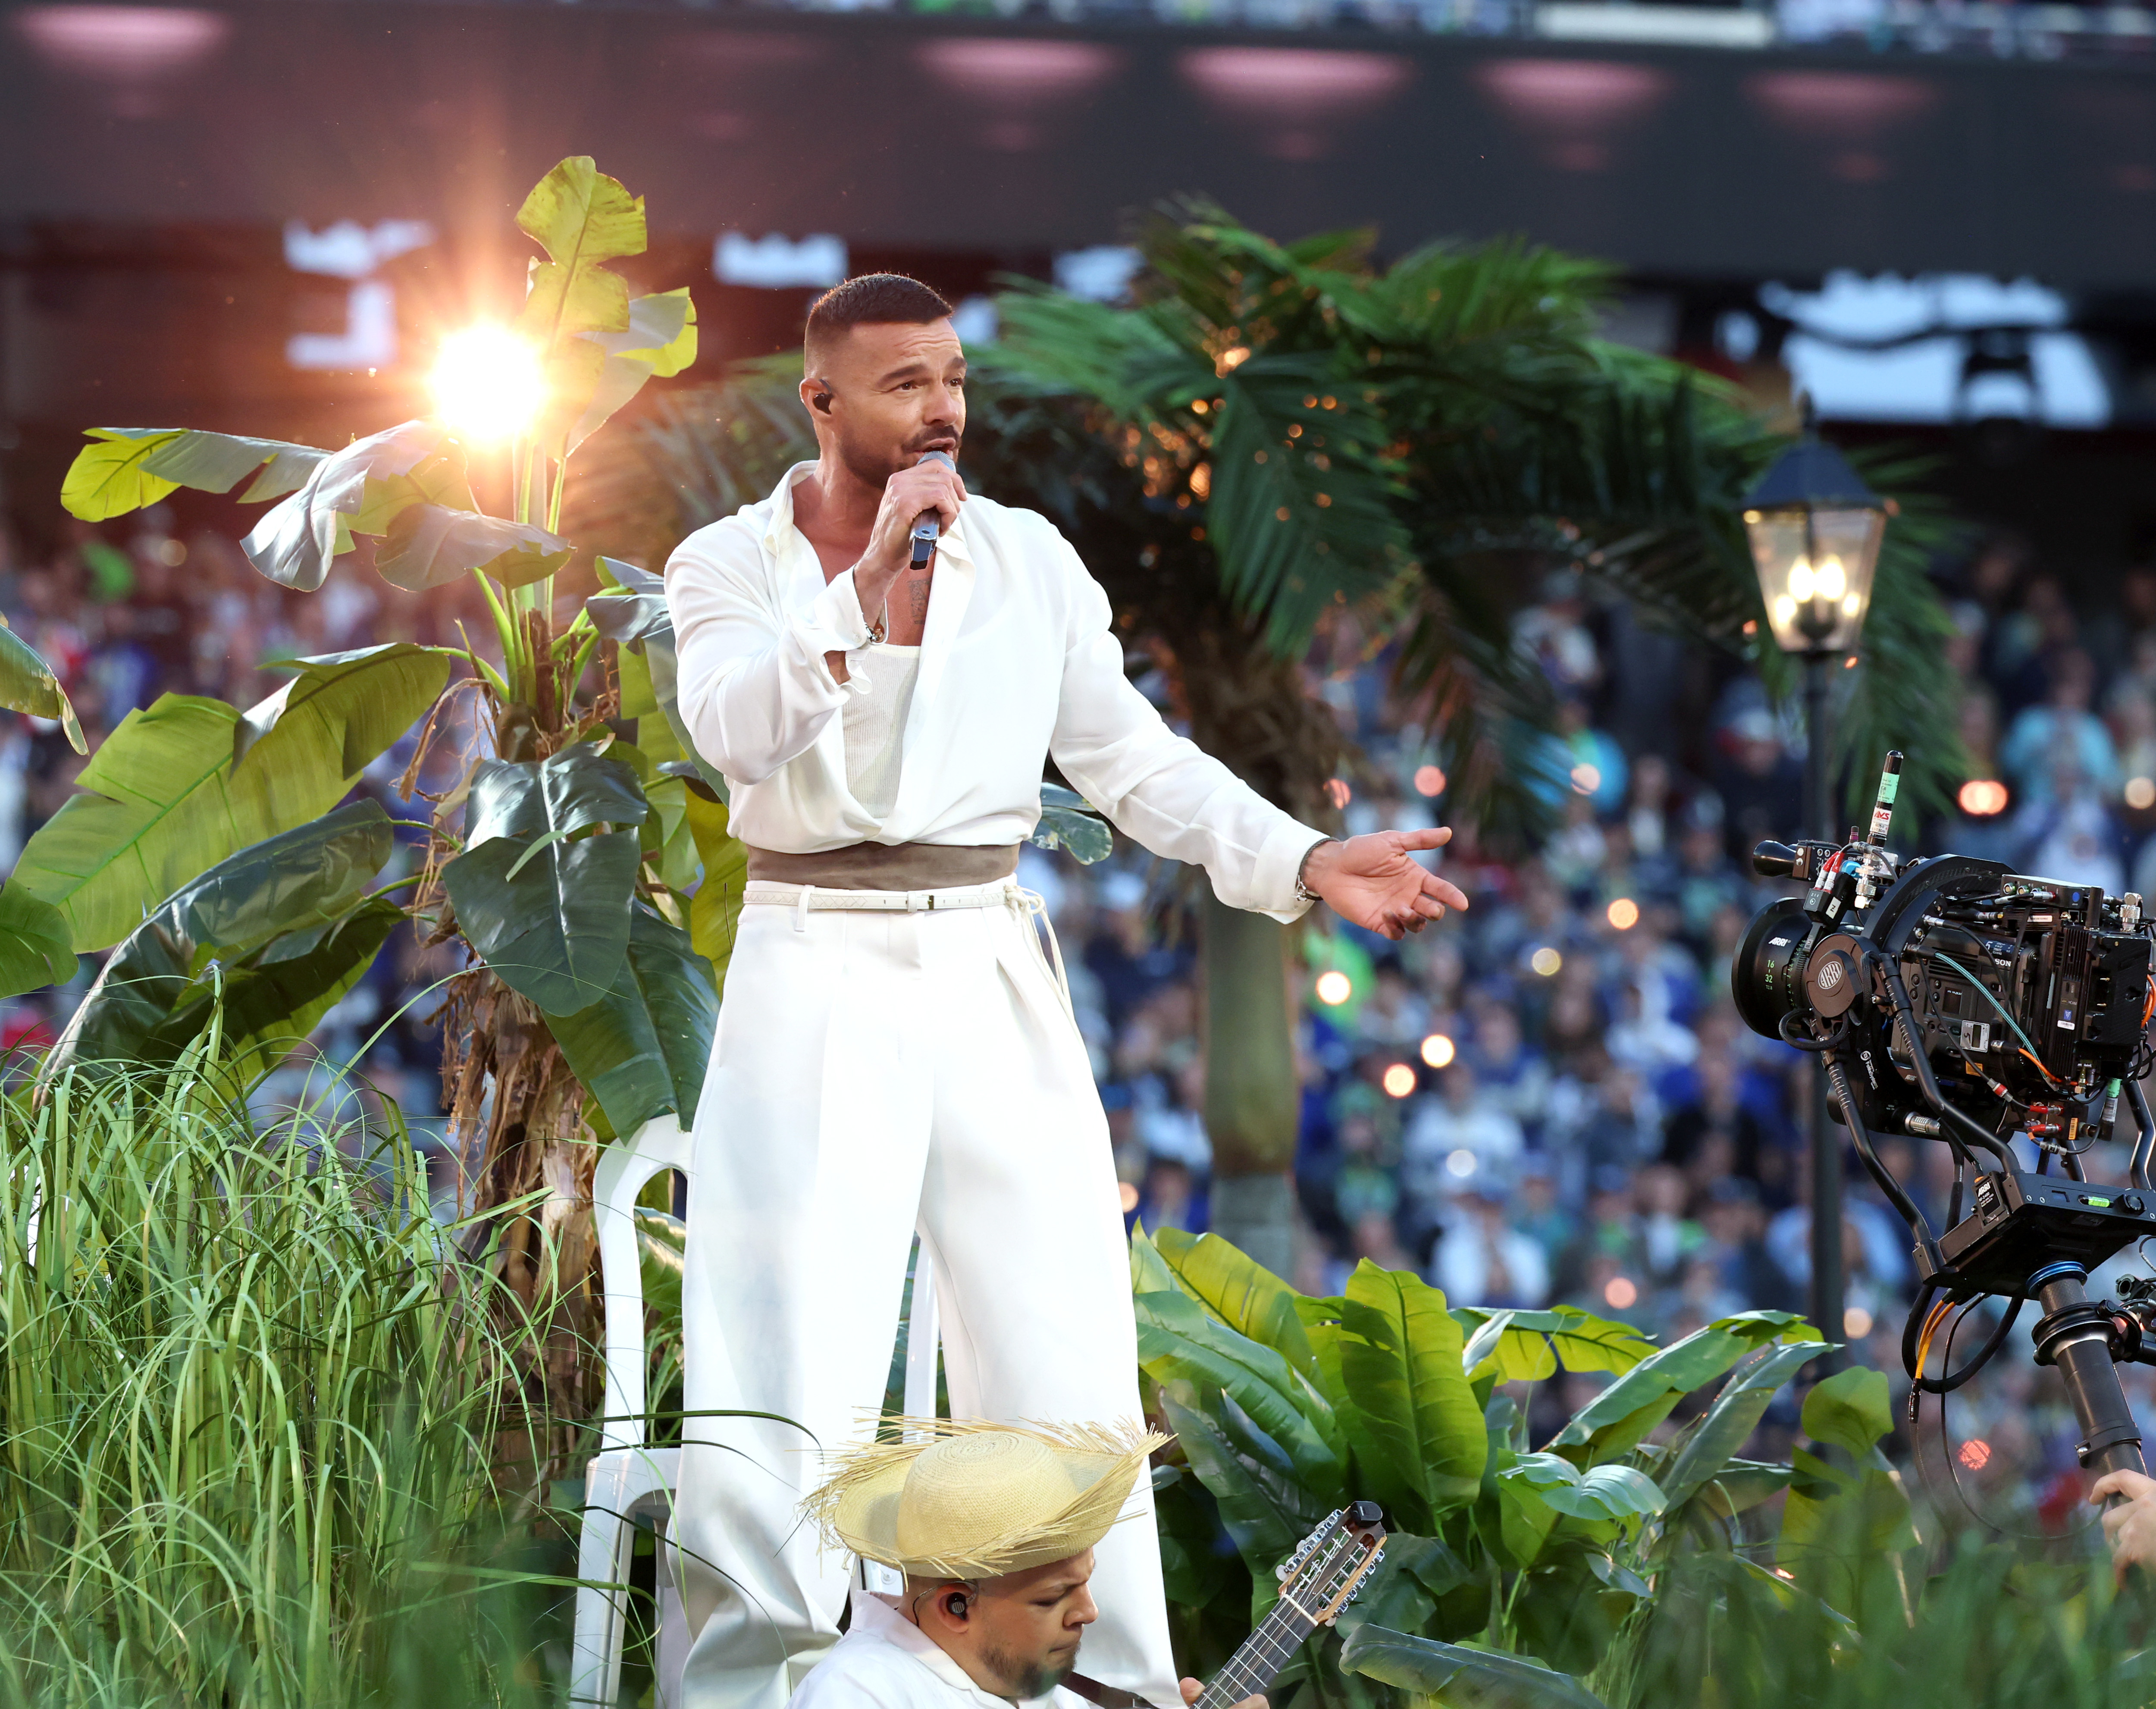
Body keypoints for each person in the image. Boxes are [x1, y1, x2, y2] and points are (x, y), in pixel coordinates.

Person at [663, 273, 1470, 1709]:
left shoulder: (1028, 559)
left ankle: (1119, 1687)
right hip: (812, 955)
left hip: (985, 953)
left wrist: (1301, 859)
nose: (941, 407)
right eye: (905, 381)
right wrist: (866, 591)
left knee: (1065, 1350)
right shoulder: (728, 563)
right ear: (824, 401)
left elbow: (1133, 761)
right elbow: (733, 722)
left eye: (952, 375)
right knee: (777, 1369)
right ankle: (739, 1694)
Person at [796, 1421, 1265, 1709]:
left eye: (1085, 1582)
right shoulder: (856, 1696)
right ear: (955, 1607)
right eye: (1052, 1596)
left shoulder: (1039, 1684)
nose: (1088, 1612)